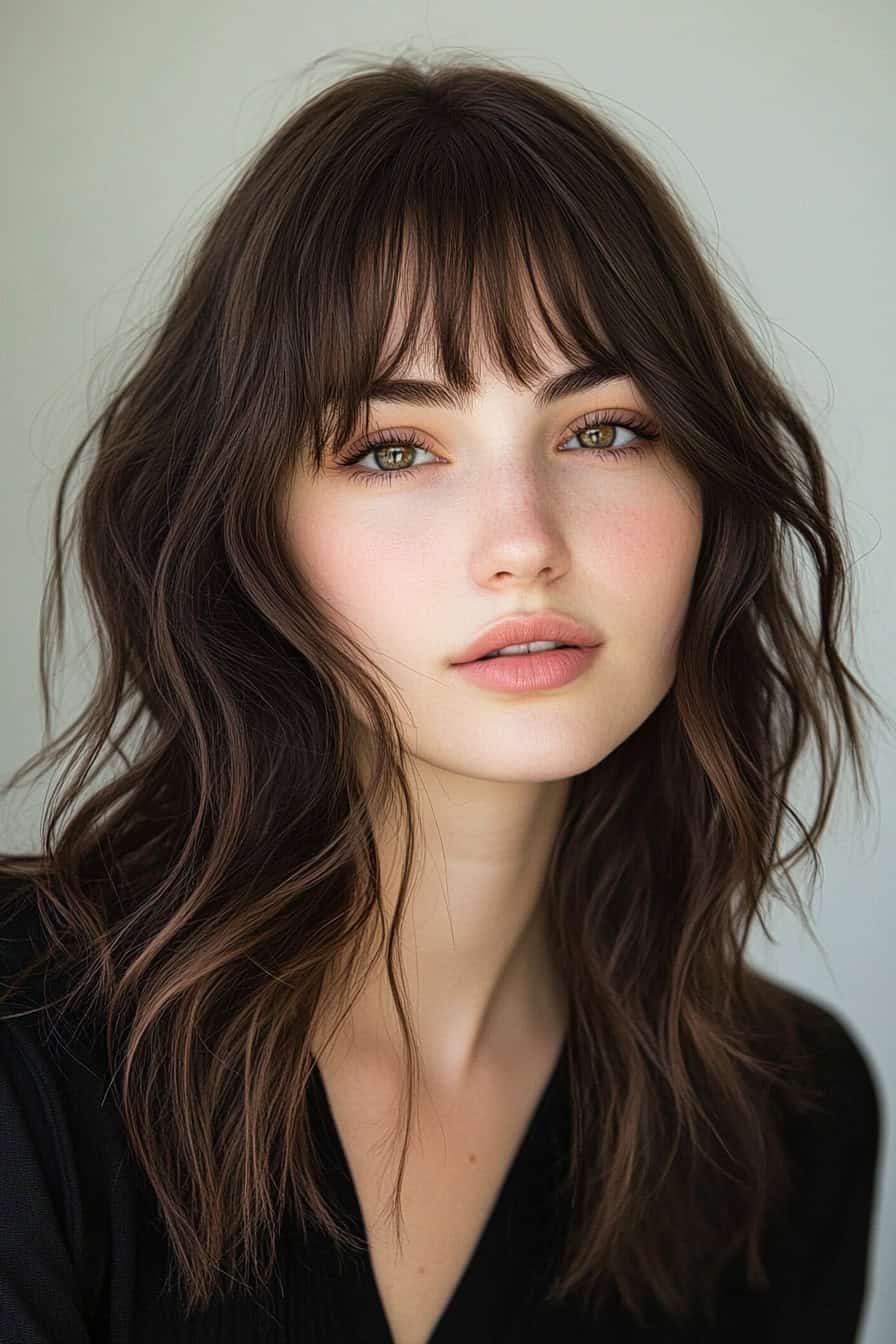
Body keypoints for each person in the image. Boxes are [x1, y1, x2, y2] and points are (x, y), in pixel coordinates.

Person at [0, 52, 886, 1344]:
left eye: (604, 430)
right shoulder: (28, 1052)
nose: (522, 540)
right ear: (248, 531)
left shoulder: (785, 1122)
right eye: (395, 448)